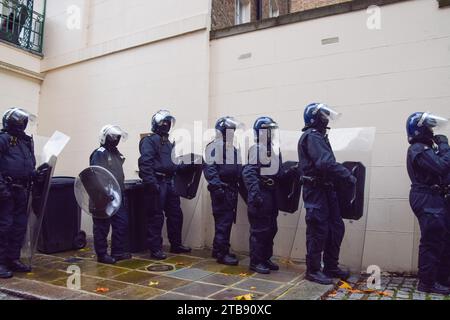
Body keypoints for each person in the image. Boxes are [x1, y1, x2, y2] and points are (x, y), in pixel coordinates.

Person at [298, 103, 356, 285]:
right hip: (315, 190)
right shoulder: (312, 137)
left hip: (326, 189)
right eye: (323, 116)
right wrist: (347, 175)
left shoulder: (320, 137)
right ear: (315, 118)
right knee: (318, 229)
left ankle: (331, 266)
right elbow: (325, 163)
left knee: (336, 227)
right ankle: (313, 270)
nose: (326, 119)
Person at [406, 112, 450, 295]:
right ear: (420, 128)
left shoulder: (427, 148)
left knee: (442, 238)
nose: (432, 131)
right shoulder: (418, 148)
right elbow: (440, 166)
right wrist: (445, 147)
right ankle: (427, 283)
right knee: (432, 240)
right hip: (426, 197)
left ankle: (441, 278)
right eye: (429, 127)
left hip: (434, 197)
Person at [138, 110, 191, 260]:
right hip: (157, 182)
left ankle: (176, 244)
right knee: (156, 217)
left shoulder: (167, 143)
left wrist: (187, 166)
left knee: (176, 214)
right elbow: (145, 163)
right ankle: (155, 249)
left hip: (170, 183)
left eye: (168, 122)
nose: (166, 125)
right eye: (163, 122)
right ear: (156, 124)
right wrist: (151, 182)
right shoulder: (149, 140)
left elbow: (172, 164)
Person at [242, 117, 288, 274]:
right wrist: (255, 194)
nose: (271, 133)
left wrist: (291, 173)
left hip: (272, 194)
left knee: (271, 228)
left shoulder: (274, 149)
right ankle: (256, 261)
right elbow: (249, 172)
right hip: (261, 192)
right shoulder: (257, 149)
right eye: (268, 129)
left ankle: (266, 258)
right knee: (259, 230)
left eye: (272, 129)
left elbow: (279, 172)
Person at [0, 108, 37, 278]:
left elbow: (29, 164)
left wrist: (36, 174)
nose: (23, 124)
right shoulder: (3, 139)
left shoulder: (25, 142)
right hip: (6, 190)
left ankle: (12, 258)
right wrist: (2, 189)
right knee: (4, 226)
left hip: (22, 190)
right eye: (20, 121)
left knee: (19, 226)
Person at [89, 125, 132, 265]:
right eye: (113, 136)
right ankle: (102, 254)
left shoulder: (116, 154)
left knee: (121, 223)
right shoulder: (99, 153)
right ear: (104, 137)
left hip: (118, 195)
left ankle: (117, 252)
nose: (116, 139)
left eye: (117, 137)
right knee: (102, 226)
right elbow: (96, 174)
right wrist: (104, 194)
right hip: (103, 196)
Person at [204, 117, 242, 266]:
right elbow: (210, 168)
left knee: (225, 221)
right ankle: (222, 253)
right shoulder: (214, 147)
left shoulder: (232, 148)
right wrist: (217, 187)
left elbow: (238, 168)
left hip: (231, 189)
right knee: (223, 222)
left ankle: (218, 248)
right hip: (222, 189)